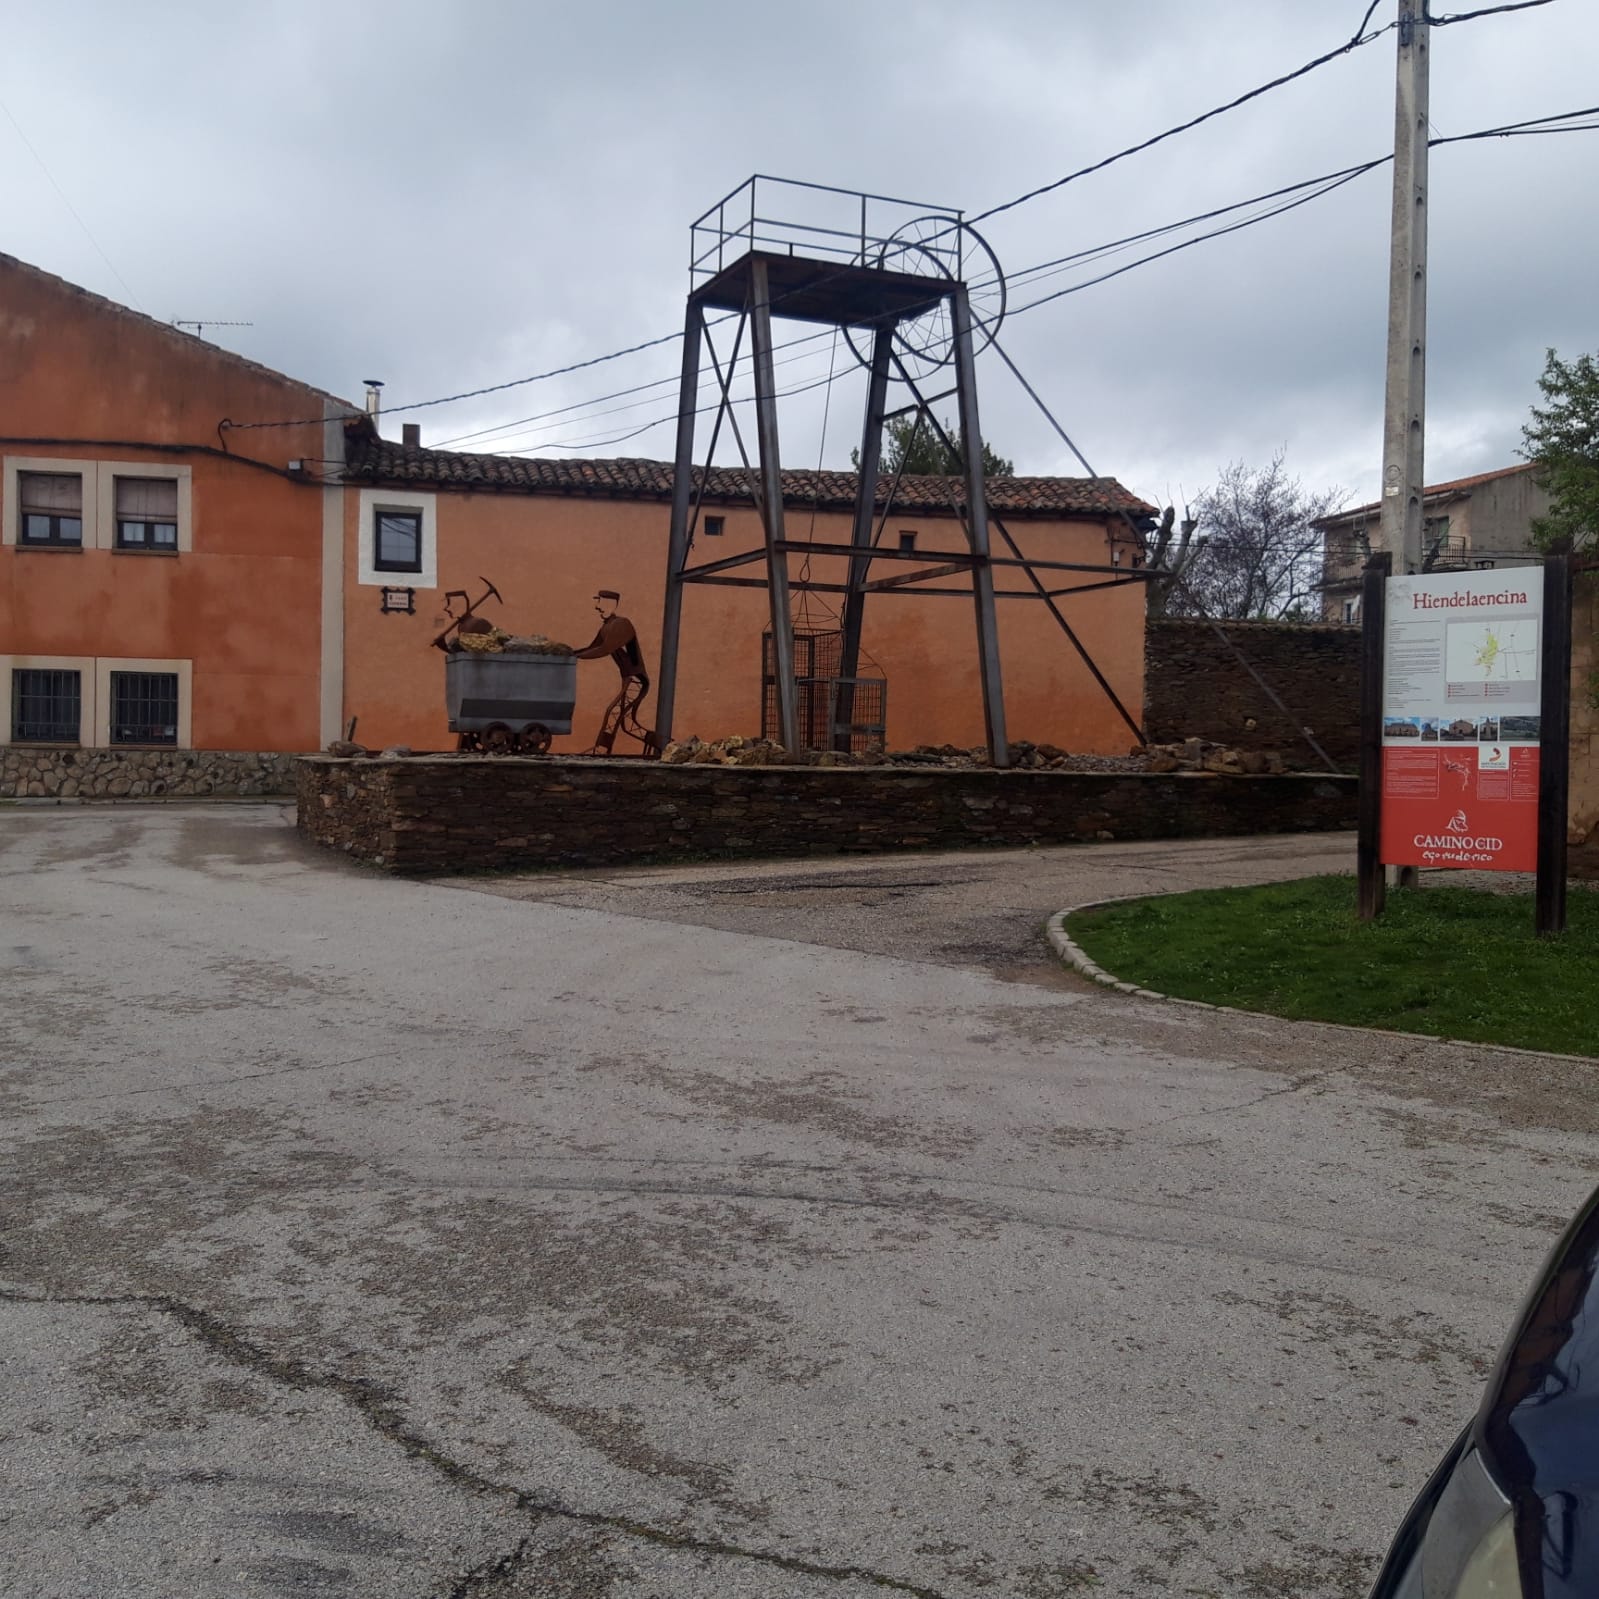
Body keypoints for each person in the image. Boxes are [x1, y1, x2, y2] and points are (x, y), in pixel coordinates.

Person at [574, 591, 657, 754]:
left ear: (613, 604)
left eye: (601, 603)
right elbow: (592, 647)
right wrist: (571, 653)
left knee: (613, 712)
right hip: (628, 678)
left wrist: (577, 656)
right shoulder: (607, 626)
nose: (597, 607)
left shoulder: (622, 625)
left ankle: (602, 749)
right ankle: (661, 743)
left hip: (636, 679)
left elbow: (604, 649)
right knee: (628, 724)